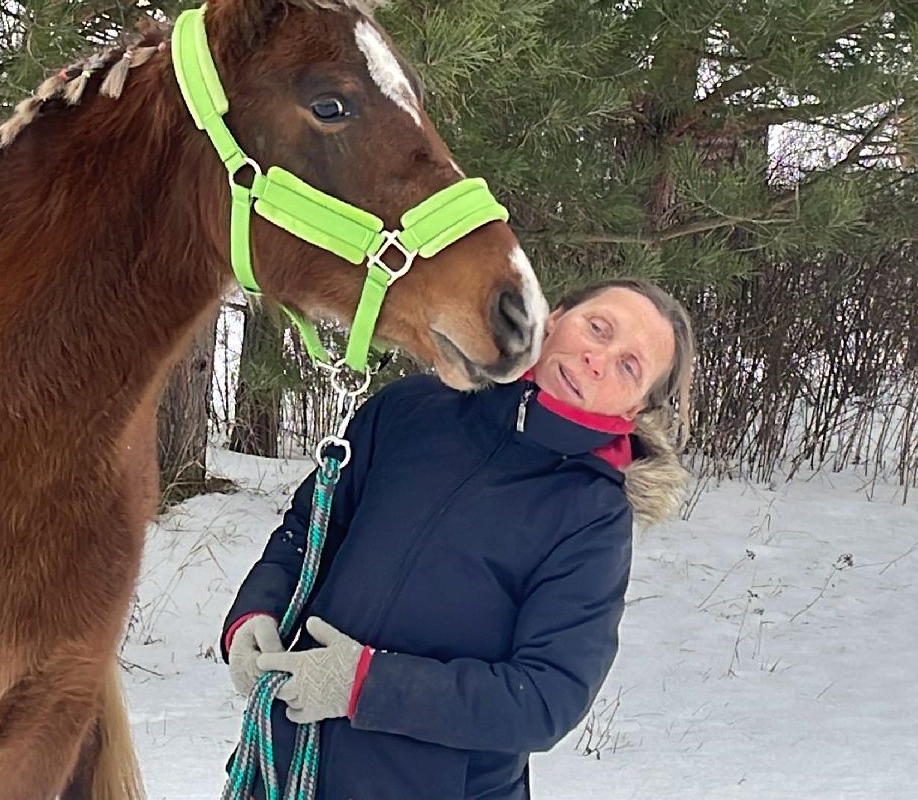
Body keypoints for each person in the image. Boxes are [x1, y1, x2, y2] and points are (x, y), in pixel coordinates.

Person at [220, 278, 697, 799]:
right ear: (555, 318)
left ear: (634, 410)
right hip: (284, 768)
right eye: (597, 327)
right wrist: (255, 613)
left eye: (629, 366)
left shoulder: (591, 515)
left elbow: (544, 698)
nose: (597, 359)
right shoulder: (411, 408)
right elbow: (310, 531)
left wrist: (367, 685)